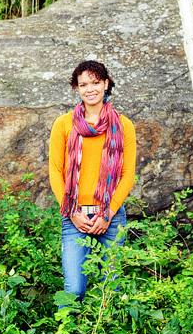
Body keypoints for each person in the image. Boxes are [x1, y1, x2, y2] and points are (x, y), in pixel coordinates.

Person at [48, 60, 137, 301]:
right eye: (83, 84)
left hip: (111, 216)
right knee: (74, 291)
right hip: (74, 217)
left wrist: (108, 213)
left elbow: (128, 174)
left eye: (96, 82)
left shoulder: (123, 125)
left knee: (114, 291)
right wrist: (70, 211)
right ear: (76, 88)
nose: (90, 89)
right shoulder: (64, 125)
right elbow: (55, 171)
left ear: (106, 84)